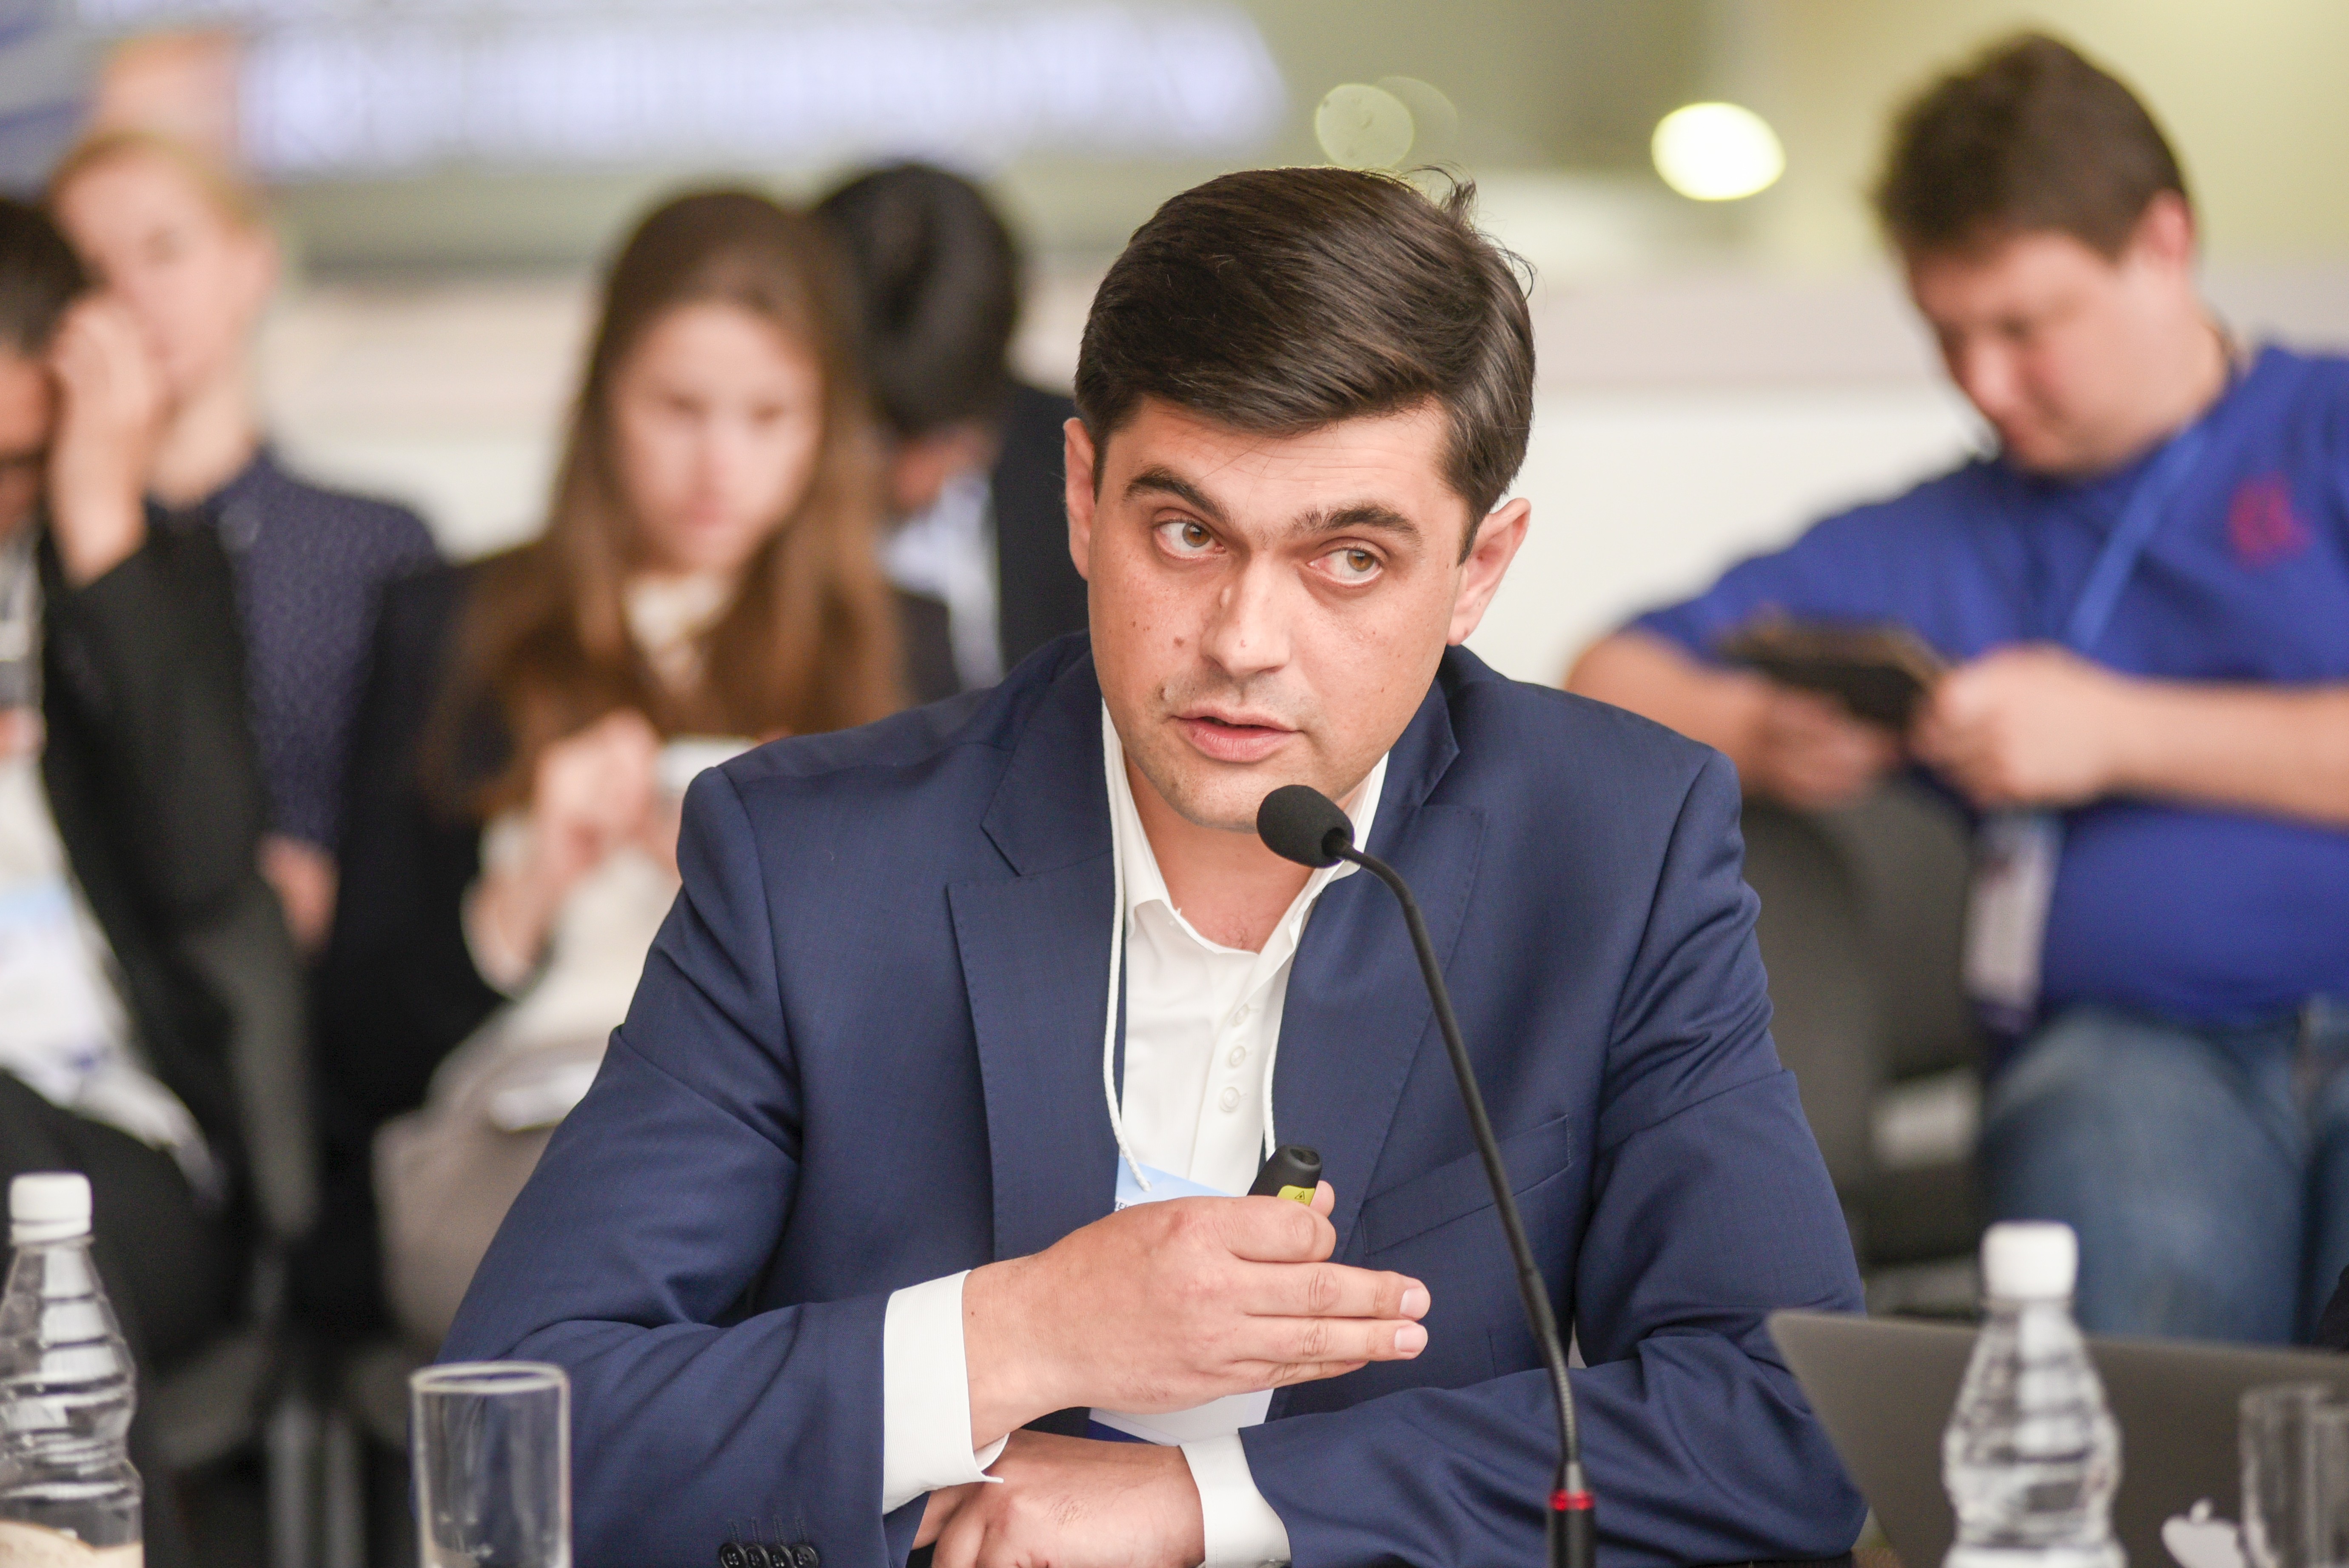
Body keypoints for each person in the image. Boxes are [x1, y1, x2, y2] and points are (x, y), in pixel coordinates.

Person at [444, 167, 1865, 1568]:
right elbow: (521, 1423)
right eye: (1186, 533)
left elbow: (1784, 1425)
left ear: (1479, 569)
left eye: (1349, 559)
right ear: (1082, 497)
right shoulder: (809, 857)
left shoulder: (1616, 842)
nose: (1243, 639)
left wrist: (1205, 1500)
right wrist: (1024, 1332)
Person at [1568, 34, 2349, 1343]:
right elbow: (1608, 673)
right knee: (2145, 1341)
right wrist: (1751, 727)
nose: (1983, 384)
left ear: (2162, 244)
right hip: (2127, 1046)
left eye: (2024, 328)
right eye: (1947, 334)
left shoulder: (2324, 432)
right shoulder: (1935, 536)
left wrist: (2116, 734)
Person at [308, 189, 908, 1345]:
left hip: (798, 1138)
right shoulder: (450, 625)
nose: (718, 463)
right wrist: (528, 885)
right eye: (676, 408)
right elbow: (358, 1052)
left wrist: (778, 880)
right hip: (518, 1125)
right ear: (603, 400)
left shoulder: (901, 647)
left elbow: (942, 1019)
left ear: (826, 426)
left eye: (770, 415)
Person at [0, 196, 300, 1568]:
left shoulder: (140, 579)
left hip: (122, 1158)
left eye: (16, 460)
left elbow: (206, 862)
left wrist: (94, 519)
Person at [48, 128, 440, 952]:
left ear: (252, 265)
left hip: (336, 993)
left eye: (164, 250)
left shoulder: (374, 547)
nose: (128, 293)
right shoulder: (40, 562)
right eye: (88, 269)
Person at [816, 163, 1089, 700]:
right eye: (873, 438)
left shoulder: (1093, 474)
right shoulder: (735, 502)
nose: (906, 481)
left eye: (945, 438)